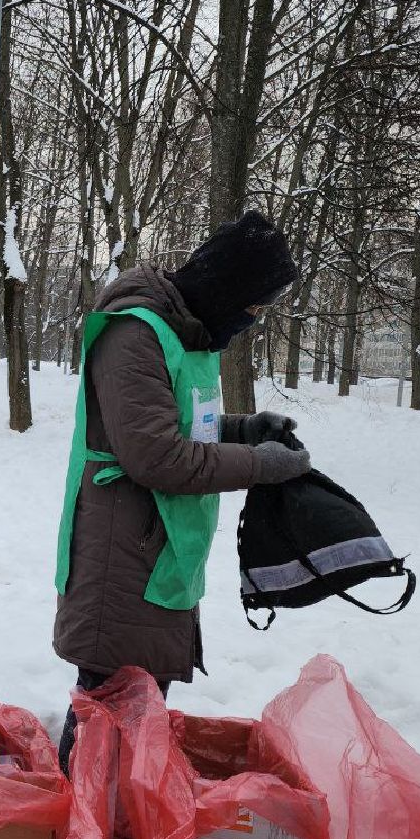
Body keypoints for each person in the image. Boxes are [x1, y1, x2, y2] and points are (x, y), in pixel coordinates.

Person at [53, 210, 311, 772]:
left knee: (136, 713)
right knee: (106, 710)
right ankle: (81, 834)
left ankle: (113, 827)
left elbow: (184, 426)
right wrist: (259, 466)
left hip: (155, 551)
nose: (253, 318)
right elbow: (155, 455)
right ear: (227, 290)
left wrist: (246, 429)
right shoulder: (135, 333)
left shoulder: (182, 336)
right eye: (253, 305)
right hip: (121, 554)